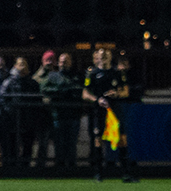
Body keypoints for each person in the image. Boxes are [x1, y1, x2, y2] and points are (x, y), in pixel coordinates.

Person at [83, 47, 136, 182]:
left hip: (115, 110)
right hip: (99, 111)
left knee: (122, 139)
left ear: (110, 57)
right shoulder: (92, 73)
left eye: (106, 55)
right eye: (102, 55)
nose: (104, 57)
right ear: (98, 58)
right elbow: (85, 93)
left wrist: (116, 94)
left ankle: (126, 173)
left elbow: (125, 91)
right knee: (98, 140)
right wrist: (97, 100)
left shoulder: (117, 73)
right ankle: (98, 173)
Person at [40, 53, 83, 169]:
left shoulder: (76, 76)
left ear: (70, 63)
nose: (63, 64)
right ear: (58, 63)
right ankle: (60, 166)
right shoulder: (53, 76)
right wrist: (60, 90)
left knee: (72, 142)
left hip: (73, 114)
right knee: (59, 142)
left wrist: (68, 91)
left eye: (66, 61)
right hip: (58, 115)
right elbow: (45, 90)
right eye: (62, 61)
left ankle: (72, 166)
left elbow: (79, 90)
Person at [0, 56, 42, 168]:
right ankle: (12, 168)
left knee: (28, 146)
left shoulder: (33, 83)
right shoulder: (8, 82)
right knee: (12, 146)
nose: (22, 67)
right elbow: (3, 100)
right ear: (15, 66)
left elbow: (37, 102)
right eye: (20, 64)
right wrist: (10, 113)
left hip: (28, 120)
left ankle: (25, 168)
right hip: (13, 120)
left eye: (24, 64)